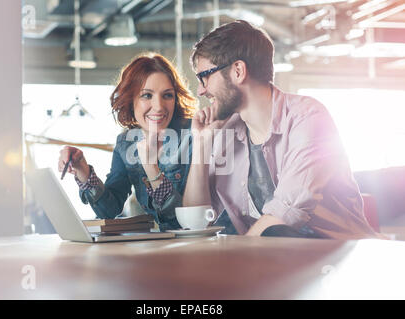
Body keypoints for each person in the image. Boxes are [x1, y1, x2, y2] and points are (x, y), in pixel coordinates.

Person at [183, 20, 379, 239]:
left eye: (205, 77)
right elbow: (196, 222)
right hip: (280, 260)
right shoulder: (227, 131)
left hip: (340, 257)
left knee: (274, 230)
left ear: (238, 71)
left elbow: (284, 215)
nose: (201, 90)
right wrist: (201, 143)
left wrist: (237, 261)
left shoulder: (307, 117)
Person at [58, 53, 196, 231]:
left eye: (167, 95)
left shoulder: (193, 136)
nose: (159, 106)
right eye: (147, 95)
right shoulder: (126, 143)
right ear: (130, 100)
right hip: (159, 249)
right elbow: (109, 210)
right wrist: (83, 172)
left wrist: (151, 167)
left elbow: (186, 222)